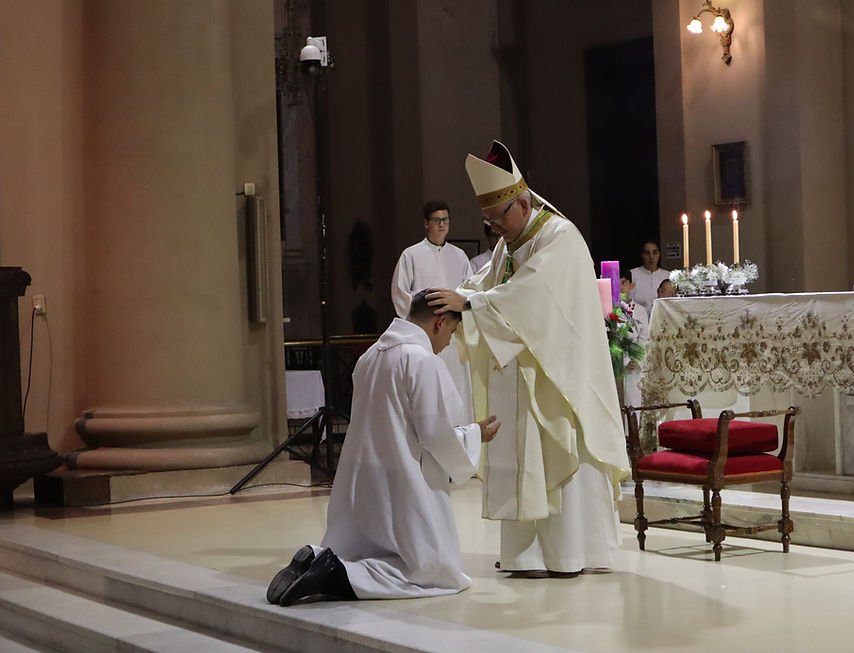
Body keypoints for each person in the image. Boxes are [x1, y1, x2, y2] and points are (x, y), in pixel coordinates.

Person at [427, 140, 630, 577]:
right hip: (520, 376)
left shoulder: (560, 236)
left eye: (498, 218)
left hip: (557, 381)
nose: (494, 228)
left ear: (521, 203)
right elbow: (485, 283)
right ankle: (527, 555)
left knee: (553, 456)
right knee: (522, 459)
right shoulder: (510, 242)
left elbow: (534, 296)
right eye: (488, 221)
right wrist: (461, 297)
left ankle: (569, 552)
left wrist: (471, 307)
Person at [266, 289, 501, 605]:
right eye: (453, 332)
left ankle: (322, 559)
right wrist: (475, 435)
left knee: (371, 549)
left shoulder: (371, 355)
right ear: (440, 322)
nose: (449, 342)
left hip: (364, 481)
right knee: (431, 571)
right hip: (403, 482)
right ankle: (335, 572)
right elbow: (433, 434)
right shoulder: (420, 360)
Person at [391, 200, 474, 423]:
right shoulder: (411, 255)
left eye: (445, 220)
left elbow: (470, 291)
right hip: (425, 337)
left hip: (454, 336)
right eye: (436, 220)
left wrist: (457, 315)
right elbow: (401, 295)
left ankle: (461, 437)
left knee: (458, 392)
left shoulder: (459, 256)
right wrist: (422, 323)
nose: (442, 225)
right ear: (426, 223)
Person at [619, 272, 649, 408]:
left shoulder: (640, 310)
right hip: (616, 359)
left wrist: (633, 358)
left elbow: (643, 337)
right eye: (616, 283)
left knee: (632, 403)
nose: (620, 287)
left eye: (624, 283)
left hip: (633, 362)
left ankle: (632, 429)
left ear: (632, 285)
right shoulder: (607, 309)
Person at [629, 239, 670, 313]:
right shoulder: (632, 275)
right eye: (647, 253)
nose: (651, 257)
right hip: (638, 318)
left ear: (659, 254)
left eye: (655, 253)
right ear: (641, 255)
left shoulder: (668, 275)